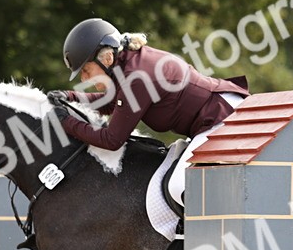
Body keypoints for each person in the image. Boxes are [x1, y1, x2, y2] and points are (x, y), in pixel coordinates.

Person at [51, 18, 248, 211]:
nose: (84, 78)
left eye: (86, 70)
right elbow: (112, 102)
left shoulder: (135, 77)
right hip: (216, 115)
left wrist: (65, 122)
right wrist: (69, 97)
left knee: (179, 186)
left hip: (223, 117)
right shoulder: (127, 65)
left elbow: (112, 140)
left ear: (108, 58)